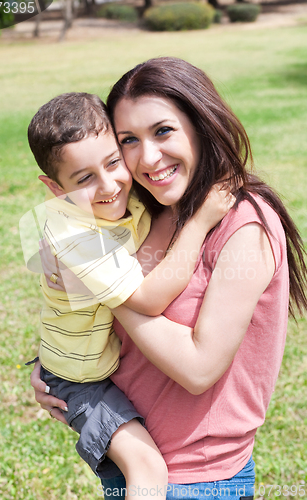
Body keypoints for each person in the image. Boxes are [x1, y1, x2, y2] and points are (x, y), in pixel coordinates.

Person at [30, 57, 307, 500]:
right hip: (127, 465)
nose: (148, 157)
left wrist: (104, 289)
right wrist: (55, 364)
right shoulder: (141, 212)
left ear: (199, 123)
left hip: (200, 480)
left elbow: (199, 369)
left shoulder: (243, 223)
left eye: (163, 131)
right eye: (129, 141)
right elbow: (86, 311)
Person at [26, 91, 234, 499]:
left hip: (88, 362)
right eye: (84, 178)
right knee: (146, 467)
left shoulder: (121, 200)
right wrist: (202, 221)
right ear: (54, 188)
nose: (110, 185)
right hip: (78, 381)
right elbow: (148, 299)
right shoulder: (74, 237)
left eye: (114, 162)